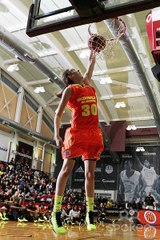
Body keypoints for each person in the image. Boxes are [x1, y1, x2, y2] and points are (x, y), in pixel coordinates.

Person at [50, 50, 104, 234]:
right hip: (77, 133)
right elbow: (57, 114)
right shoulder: (70, 89)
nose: (78, 70)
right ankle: (56, 213)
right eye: (73, 70)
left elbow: (90, 66)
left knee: (90, 175)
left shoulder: (87, 84)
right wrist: (56, 135)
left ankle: (90, 213)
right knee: (66, 170)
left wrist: (93, 53)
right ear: (70, 77)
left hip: (93, 133)